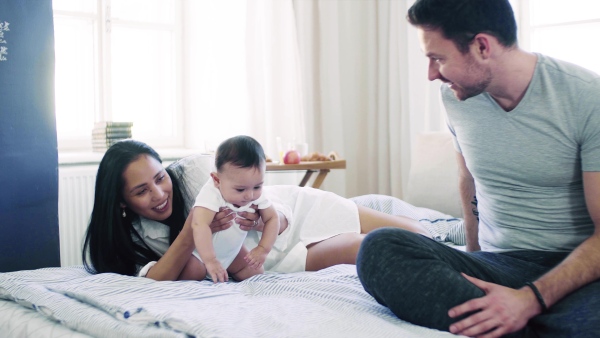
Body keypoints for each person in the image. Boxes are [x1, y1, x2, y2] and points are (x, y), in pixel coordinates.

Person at [356, 0, 600, 337]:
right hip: (500, 263)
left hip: (576, 269)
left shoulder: (588, 97)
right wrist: (473, 260)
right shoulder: (456, 99)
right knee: (380, 249)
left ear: (482, 46)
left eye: (438, 58)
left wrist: (530, 299)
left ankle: (521, 318)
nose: (431, 74)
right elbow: (467, 180)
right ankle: (523, 321)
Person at [82, 139, 435, 282]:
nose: (160, 194)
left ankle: (421, 221)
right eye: (142, 191)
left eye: (160, 178)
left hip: (293, 213)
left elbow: (271, 206)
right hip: (276, 259)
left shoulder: (193, 177)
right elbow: (157, 280)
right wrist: (193, 227)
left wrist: (267, 219)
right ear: (122, 203)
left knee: (419, 235)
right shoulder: (131, 240)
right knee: (373, 246)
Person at [189, 135, 279, 282]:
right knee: (194, 271)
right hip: (201, 254)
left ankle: (228, 270)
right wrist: (210, 260)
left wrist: (263, 249)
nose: (249, 195)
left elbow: (272, 218)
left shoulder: (253, 190)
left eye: (257, 186)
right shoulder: (211, 192)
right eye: (240, 189)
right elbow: (199, 224)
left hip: (232, 252)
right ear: (217, 180)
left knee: (256, 274)